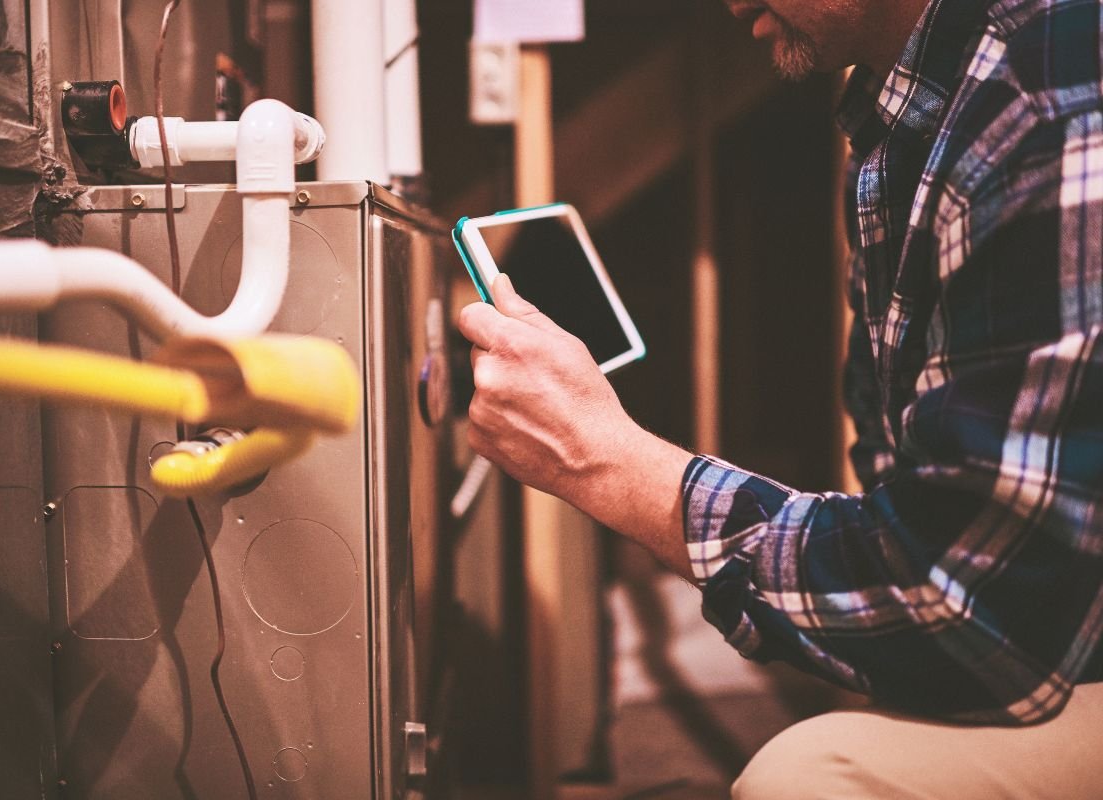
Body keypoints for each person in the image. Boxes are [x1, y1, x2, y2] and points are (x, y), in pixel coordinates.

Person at [457, 0, 1103, 797]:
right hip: (1047, 630)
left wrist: (610, 464)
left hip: (1045, 634)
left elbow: (972, 603)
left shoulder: (1049, 113)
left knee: (804, 776)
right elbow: (899, 475)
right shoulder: (900, 112)